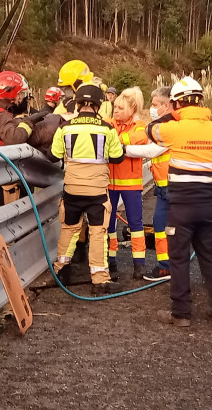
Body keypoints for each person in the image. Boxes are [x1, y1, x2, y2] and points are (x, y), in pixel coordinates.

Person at [147, 76, 212, 327]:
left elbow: (150, 129)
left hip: (181, 206)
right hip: (208, 205)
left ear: (176, 104)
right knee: (211, 259)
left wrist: (173, 116)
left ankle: (181, 313)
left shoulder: (173, 129)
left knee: (178, 258)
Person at [51, 84, 125, 295]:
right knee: (97, 233)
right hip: (97, 193)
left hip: (72, 190)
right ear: (98, 105)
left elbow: (54, 155)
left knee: (69, 229)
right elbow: (118, 157)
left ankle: (61, 270)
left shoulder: (65, 128)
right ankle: (99, 279)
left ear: (78, 103)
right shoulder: (107, 129)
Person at [124, 86, 172, 281]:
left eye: (155, 105)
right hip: (163, 186)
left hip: (172, 186)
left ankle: (168, 266)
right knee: (161, 225)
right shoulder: (161, 125)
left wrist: (122, 149)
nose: (152, 109)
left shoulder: (170, 127)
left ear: (166, 105)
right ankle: (165, 267)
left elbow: (153, 151)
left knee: (167, 227)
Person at [107, 87, 148, 280]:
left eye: (120, 108)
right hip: (109, 183)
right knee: (108, 224)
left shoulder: (139, 126)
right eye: (114, 107)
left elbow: (141, 138)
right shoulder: (109, 123)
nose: (115, 111)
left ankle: (139, 265)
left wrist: (116, 140)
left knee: (135, 224)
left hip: (131, 185)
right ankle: (110, 260)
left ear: (132, 109)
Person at [0, 70, 46, 147]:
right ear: (12, 93)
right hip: (1, 157)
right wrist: (28, 122)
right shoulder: (3, 116)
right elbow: (14, 139)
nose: (21, 98)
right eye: (21, 94)